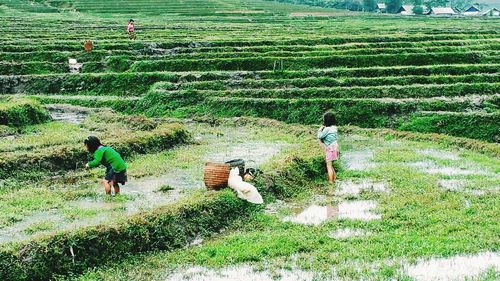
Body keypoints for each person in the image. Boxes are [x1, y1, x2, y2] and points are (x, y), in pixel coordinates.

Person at [317, 112, 339, 184]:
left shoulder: (327, 129)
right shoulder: (335, 128)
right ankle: (334, 179)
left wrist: (320, 129)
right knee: (331, 165)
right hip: (335, 147)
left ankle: (330, 181)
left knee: (328, 166)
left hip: (329, 148)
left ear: (326, 120)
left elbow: (319, 136)